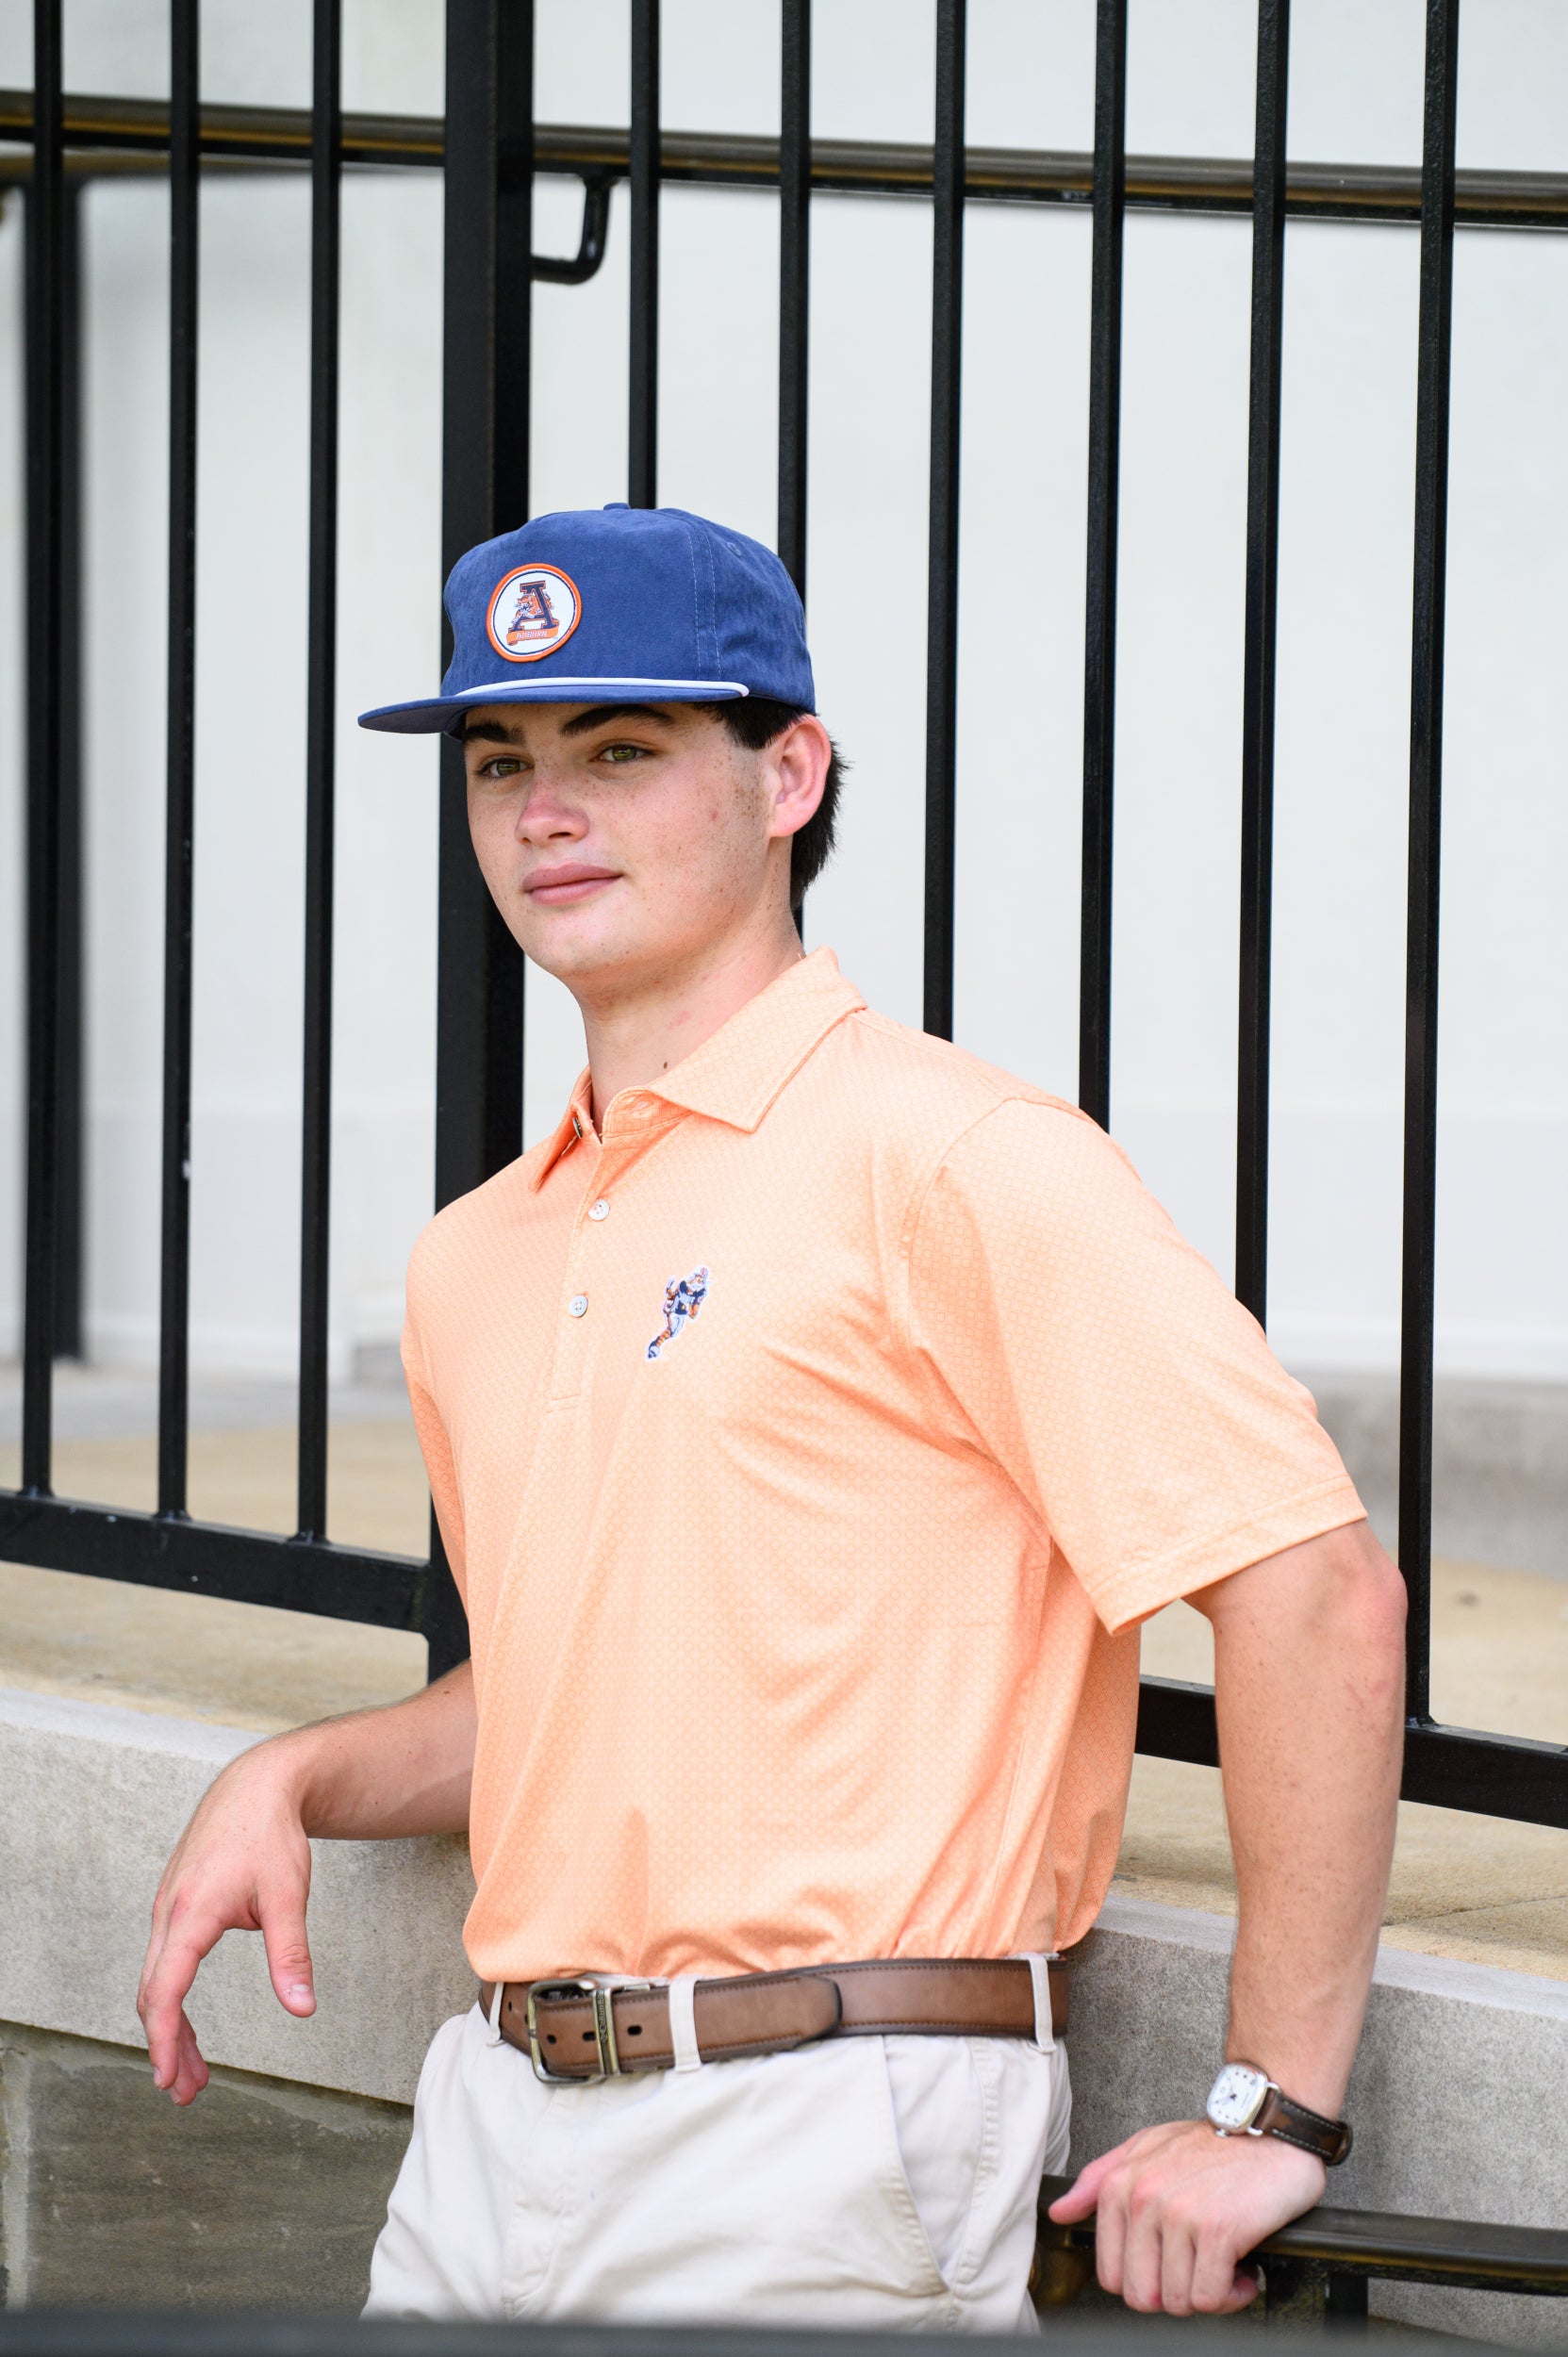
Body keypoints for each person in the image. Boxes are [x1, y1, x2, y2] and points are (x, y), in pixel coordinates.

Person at [139, 503, 1406, 2332]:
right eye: (500, 761)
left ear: (788, 770)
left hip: (831, 2116)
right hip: (489, 2120)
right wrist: (299, 1772)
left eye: (622, 750)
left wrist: (1266, 2107)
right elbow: (569, 1689)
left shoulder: (958, 1159)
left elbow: (1314, 1593)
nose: (542, 810)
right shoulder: (477, 1250)